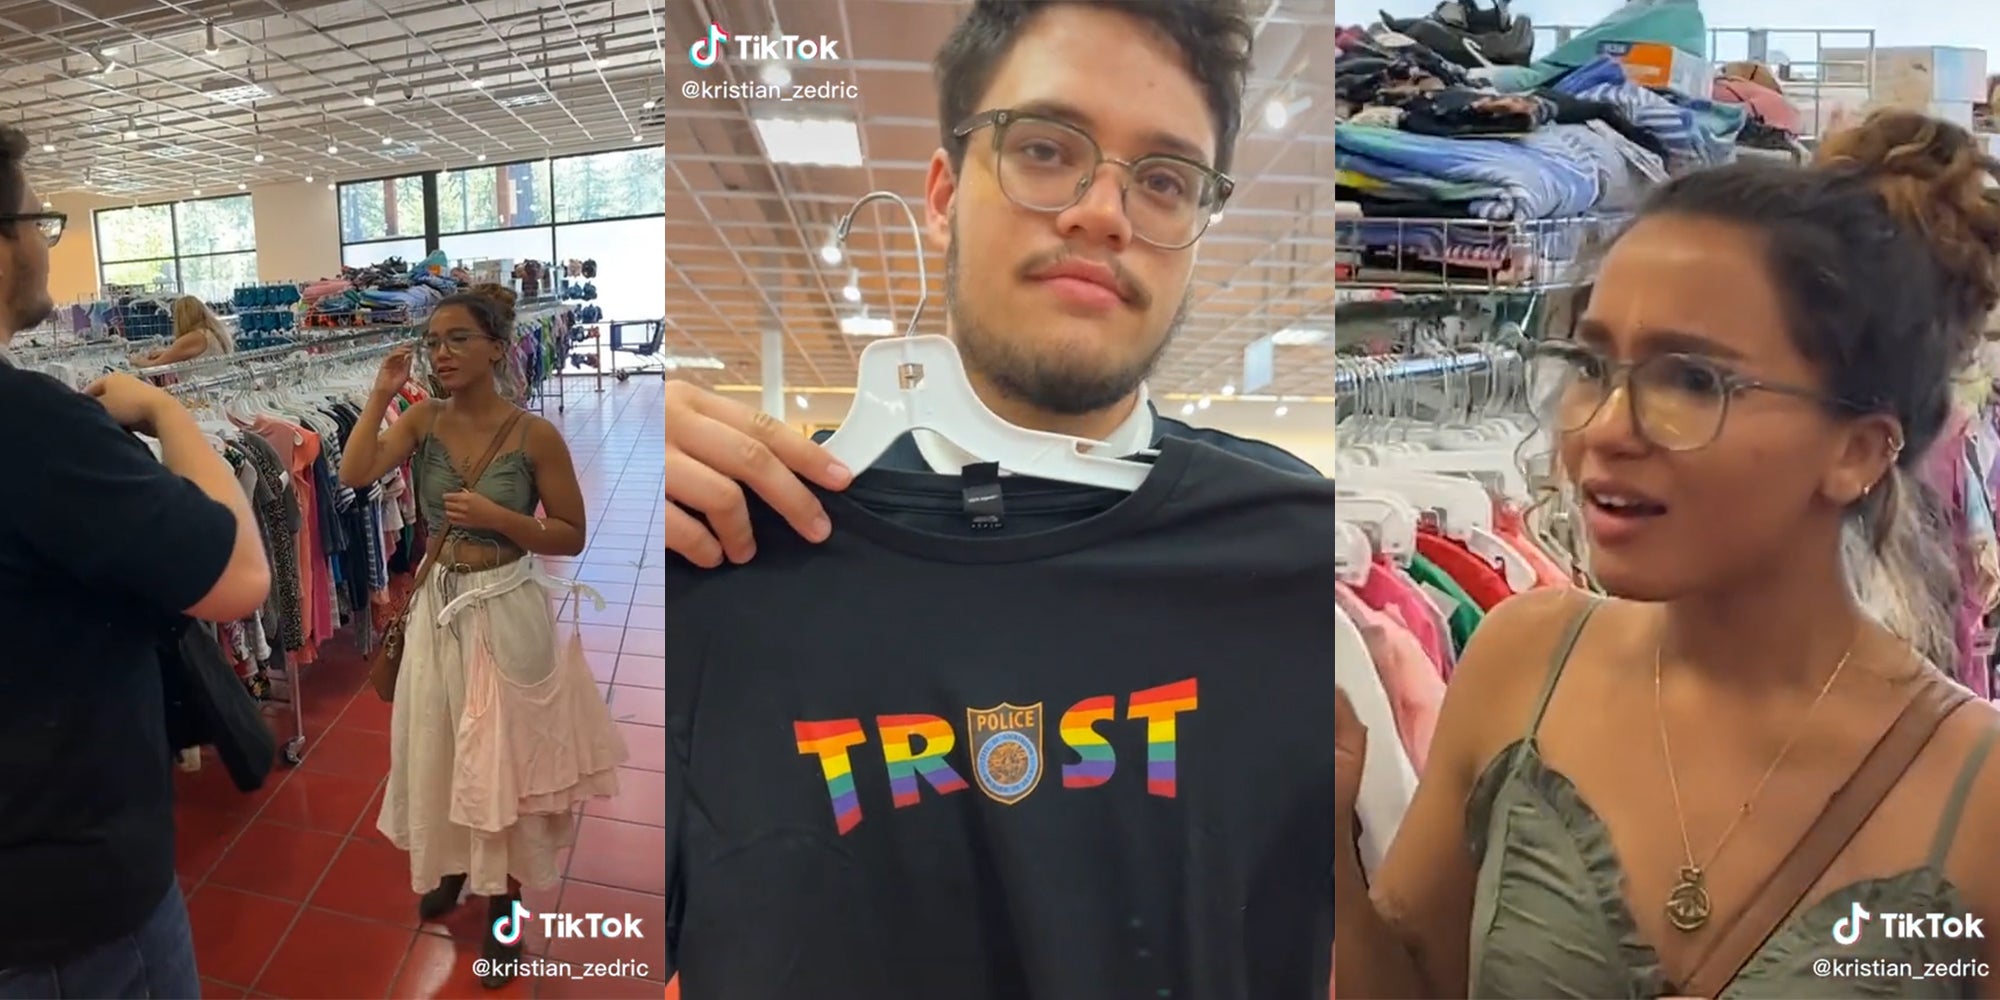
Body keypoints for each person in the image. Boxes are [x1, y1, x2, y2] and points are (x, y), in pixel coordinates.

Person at [1333, 110, 2000, 998]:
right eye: (1594, 365)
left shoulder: (1974, 794)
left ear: (1858, 449)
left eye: (1692, 380)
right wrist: (1323, 845)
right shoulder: (1522, 662)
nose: (1605, 429)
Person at [660, 0, 1312, 569]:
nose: (1104, 214)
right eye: (1045, 149)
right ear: (944, 200)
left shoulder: (1289, 542)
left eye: (1165, 180)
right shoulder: (737, 530)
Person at [0, 126, 273, 997]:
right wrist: (167, 415)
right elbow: (239, 578)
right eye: (37, 220)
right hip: (66, 910)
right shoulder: (31, 426)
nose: (45, 244)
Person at [337, 283, 626, 989]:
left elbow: (572, 531)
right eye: (434, 341)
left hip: (507, 606)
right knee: (441, 743)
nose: (442, 353)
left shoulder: (535, 435)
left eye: (459, 339)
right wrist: (381, 394)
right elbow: (352, 473)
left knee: (507, 765)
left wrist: (501, 519)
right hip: (441, 604)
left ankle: (507, 911)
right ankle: (457, 868)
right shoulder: (422, 421)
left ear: (497, 348)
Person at [132, 294, 234, 367]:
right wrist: (165, 352)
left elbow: (156, 364)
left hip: (197, 389)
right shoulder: (211, 332)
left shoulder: (194, 337)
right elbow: (192, 353)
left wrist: (136, 360)